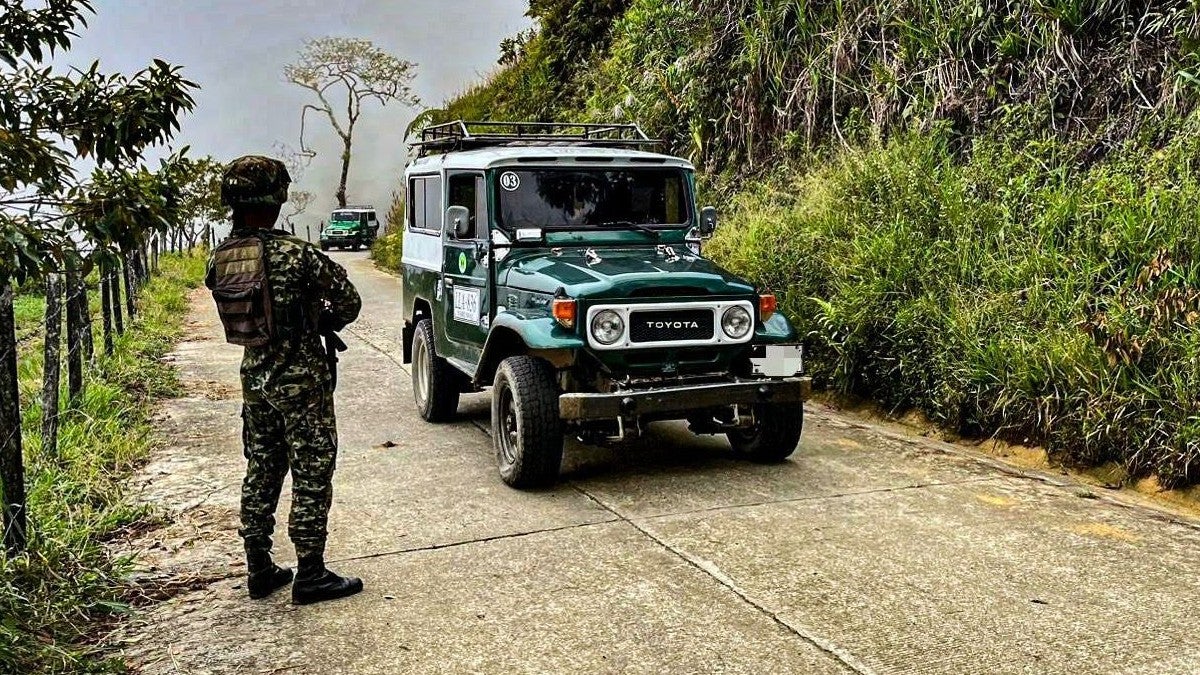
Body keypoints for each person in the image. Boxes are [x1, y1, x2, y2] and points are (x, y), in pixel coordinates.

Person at [205, 156, 364, 605]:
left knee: (261, 469)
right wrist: (319, 320)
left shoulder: (223, 258)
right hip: (303, 383)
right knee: (312, 472)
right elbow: (348, 303)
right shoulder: (298, 254)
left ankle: (259, 568)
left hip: (254, 380)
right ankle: (311, 573)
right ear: (276, 199)